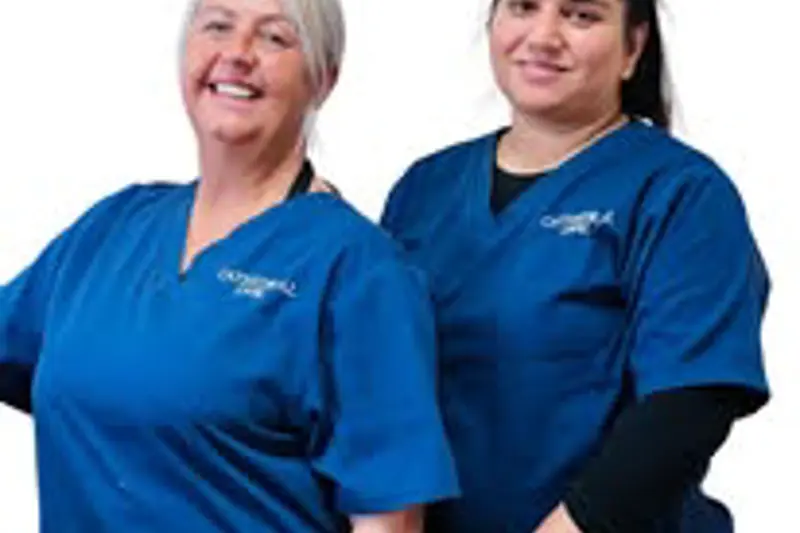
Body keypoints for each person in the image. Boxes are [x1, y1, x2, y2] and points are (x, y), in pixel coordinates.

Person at [0, 0, 460, 531]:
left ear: (323, 79)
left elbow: (389, 519)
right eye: (218, 26)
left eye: (274, 37)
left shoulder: (358, 272)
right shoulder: (111, 229)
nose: (237, 53)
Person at [381, 0, 770, 532]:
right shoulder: (424, 190)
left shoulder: (681, 194)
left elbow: (689, 404)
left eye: (581, 15)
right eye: (523, 7)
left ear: (633, 47)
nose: (544, 36)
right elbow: (377, 389)